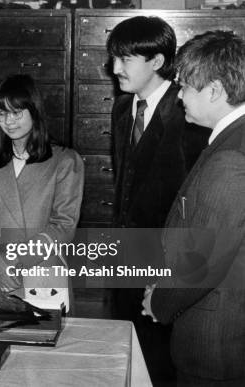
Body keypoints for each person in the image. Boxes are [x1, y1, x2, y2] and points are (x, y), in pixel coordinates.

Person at [106, 16, 209, 382]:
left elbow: (197, 202)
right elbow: (125, 186)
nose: (115, 68)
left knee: (160, 364)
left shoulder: (188, 113)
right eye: (114, 57)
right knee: (126, 357)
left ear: (158, 62)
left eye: (126, 59)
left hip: (164, 268)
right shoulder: (122, 108)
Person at [142, 30, 245, 385]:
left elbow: (205, 260)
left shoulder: (230, 156)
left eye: (185, 86)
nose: (179, 96)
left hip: (216, 344)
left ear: (215, 90)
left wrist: (160, 303)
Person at [0, 74, 83, 306]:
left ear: (34, 111)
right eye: (1, 113)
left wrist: (18, 261)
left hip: (41, 272)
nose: (9, 121)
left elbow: (64, 224)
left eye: (16, 112)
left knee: (41, 338)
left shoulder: (65, 161)